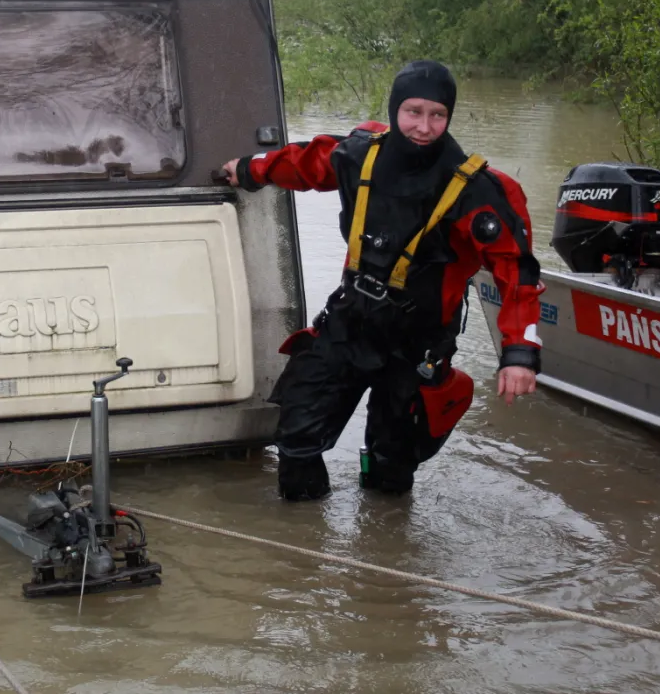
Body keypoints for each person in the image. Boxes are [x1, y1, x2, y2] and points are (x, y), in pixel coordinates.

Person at [221, 60, 544, 501]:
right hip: (351, 320)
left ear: (449, 117)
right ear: (394, 110)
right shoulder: (359, 154)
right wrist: (248, 170)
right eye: (413, 112)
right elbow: (305, 163)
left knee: (392, 462)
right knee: (296, 433)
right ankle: (302, 545)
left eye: (437, 115)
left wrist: (519, 354)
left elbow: (517, 272)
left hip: (419, 340)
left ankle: (384, 549)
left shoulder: (477, 189)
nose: (424, 127)